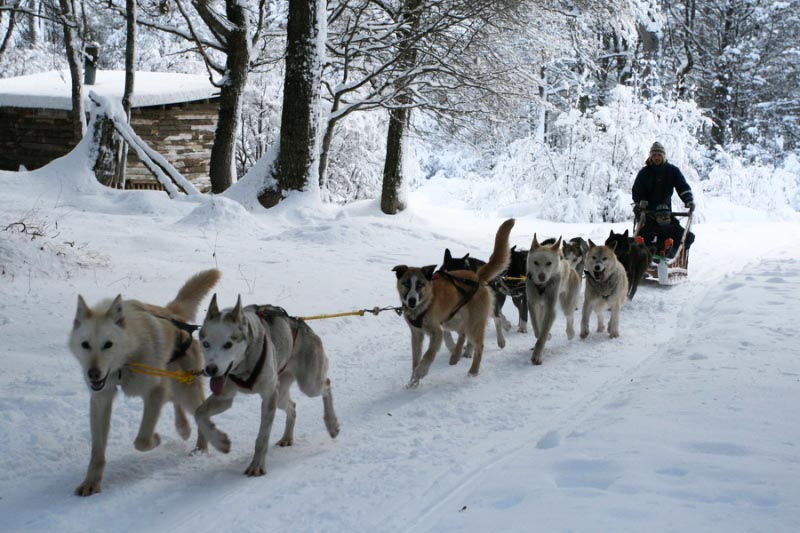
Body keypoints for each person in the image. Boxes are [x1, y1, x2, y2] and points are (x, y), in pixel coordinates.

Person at [632, 142, 695, 257]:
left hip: (665, 212)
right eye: (654, 155)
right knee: (643, 235)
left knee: (683, 235)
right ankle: (642, 255)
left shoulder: (672, 171)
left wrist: (688, 200)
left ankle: (672, 253)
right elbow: (637, 191)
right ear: (650, 156)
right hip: (648, 212)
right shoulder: (644, 173)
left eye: (659, 155)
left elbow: (682, 186)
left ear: (664, 156)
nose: (657, 157)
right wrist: (640, 202)